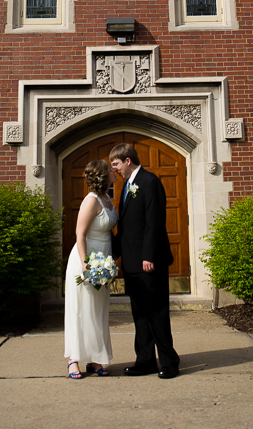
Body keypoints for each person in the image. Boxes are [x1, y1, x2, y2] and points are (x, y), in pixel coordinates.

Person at [110, 143, 180, 379]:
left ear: (128, 161)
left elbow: (154, 222)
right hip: (131, 263)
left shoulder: (150, 182)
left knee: (157, 312)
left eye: (116, 164)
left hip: (149, 262)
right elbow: (128, 227)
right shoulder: (127, 186)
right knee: (139, 313)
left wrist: (148, 255)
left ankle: (169, 361)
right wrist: (112, 253)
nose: (115, 169)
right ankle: (145, 360)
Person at [64, 158, 118, 379]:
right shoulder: (91, 200)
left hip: (103, 262)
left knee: (97, 312)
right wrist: (86, 264)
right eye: (111, 170)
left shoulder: (108, 199)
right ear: (104, 176)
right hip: (86, 261)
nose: (115, 171)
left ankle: (95, 359)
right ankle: (73, 359)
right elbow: (80, 234)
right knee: (80, 310)